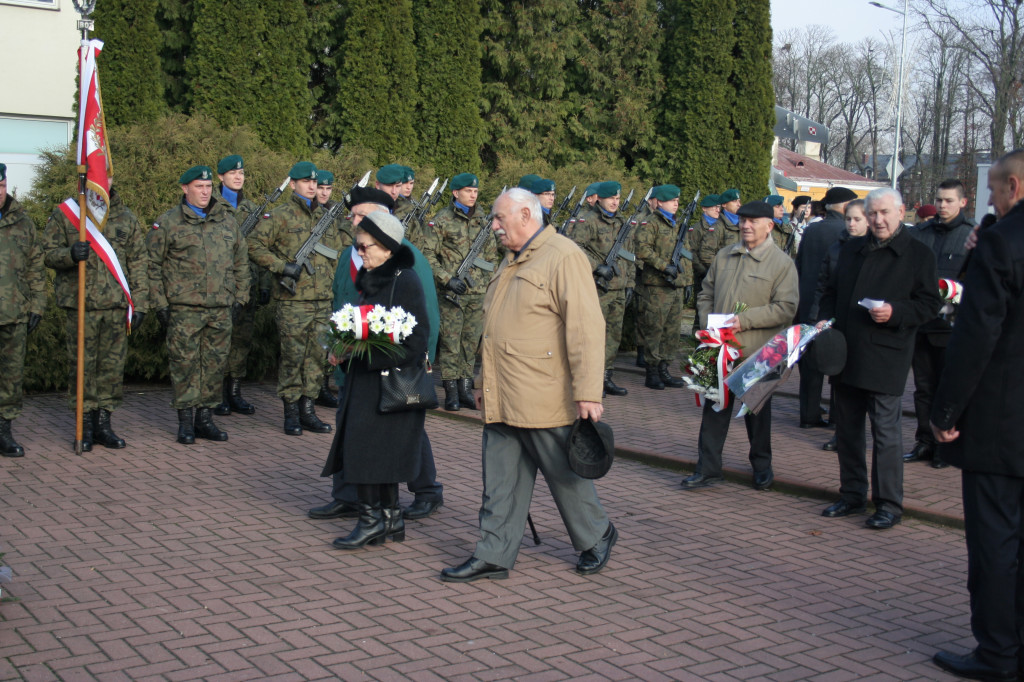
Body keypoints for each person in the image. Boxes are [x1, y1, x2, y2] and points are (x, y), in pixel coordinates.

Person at [440, 188, 616, 583]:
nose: (494, 226)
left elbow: (586, 327)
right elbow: (497, 330)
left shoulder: (563, 256)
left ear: (525, 214)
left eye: (500, 219)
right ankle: (494, 553)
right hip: (505, 393)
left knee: (563, 473)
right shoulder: (511, 260)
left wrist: (588, 392)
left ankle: (596, 535)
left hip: (543, 393)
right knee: (500, 479)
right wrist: (486, 383)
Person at [929, 148, 1024, 682]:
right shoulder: (994, 238)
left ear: (1013, 186)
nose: (989, 199)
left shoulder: (1001, 243)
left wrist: (944, 411)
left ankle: (997, 653)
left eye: (993, 190)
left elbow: (976, 335)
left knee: (994, 541)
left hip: (999, 422)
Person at [308, 187, 444, 523]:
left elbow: (421, 320)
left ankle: (424, 491)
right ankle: (348, 495)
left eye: (361, 218)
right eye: (353, 217)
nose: (353, 224)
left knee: (398, 435)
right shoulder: (350, 257)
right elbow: (344, 302)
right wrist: (339, 343)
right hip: (355, 365)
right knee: (352, 430)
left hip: (389, 370)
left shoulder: (407, 266)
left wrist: (425, 361)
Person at [816, 188, 941, 529]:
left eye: (884, 212)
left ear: (902, 212)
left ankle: (888, 504)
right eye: (872, 213)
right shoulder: (852, 248)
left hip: (886, 354)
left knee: (886, 432)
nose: (878, 220)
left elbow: (930, 304)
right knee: (848, 429)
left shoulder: (918, 254)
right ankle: (852, 495)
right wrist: (825, 322)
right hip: (846, 351)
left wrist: (895, 311)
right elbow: (829, 291)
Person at [681, 200, 798, 491]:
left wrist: (744, 321)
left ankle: (762, 466)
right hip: (718, 350)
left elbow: (786, 308)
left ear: (769, 225)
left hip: (755, 353)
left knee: (756, 413)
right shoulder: (724, 256)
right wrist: (710, 322)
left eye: (753, 221)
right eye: (743, 220)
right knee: (714, 409)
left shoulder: (782, 264)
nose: (745, 225)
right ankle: (707, 469)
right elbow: (705, 291)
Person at [148, 165, 250, 444]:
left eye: (207, 187)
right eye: (198, 187)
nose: (205, 192)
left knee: (215, 365)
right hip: (184, 309)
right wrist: (159, 304)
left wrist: (241, 298)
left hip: (220, 308)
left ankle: (205, 420)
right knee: (184, 365)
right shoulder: (168, 223)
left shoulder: (227, 221)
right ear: (185, 189)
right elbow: (152, 265)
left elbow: (241, 261)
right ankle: (185, 423)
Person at [43, 185, 149, 451]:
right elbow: (46, 253)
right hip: (82, 306)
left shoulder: (126, 217)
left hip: (115, 305)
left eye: (107, 174)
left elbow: (138, 261)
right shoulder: (67, 214)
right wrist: (69, 255)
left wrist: (141, 303)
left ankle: (104, 424)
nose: (104, 179)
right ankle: (85, 425)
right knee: (82, 369)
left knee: (112, 370)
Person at [249, 161, 343, 436]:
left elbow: (336, 253)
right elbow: (253, 245)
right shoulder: (279, 216)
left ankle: (309, 411)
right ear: (293, 184)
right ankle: (291, 413)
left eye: (315, 182)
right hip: (293, 301)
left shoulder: (326, 217)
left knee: (316, 357)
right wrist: (281, 267)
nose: (312, 186)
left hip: (322, 300)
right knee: (292, 357)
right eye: (306, 182)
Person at [904, 179, 974, 469]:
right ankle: (925, 441)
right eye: (940, 200)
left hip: (953, 327)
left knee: (949, 387)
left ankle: (947, 446)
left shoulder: (971, 237)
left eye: (949, 200)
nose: (943, 206)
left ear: (962, 202)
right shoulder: (921, 234)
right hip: (922, 323)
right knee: (923, 387)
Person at [422, 172, 500, 412]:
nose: (473, 195)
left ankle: (465, 389)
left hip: (477, 294)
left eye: (475, 191)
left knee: (469, 343)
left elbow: (491, 257)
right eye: (468, 191)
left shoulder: (483, 222)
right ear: (456, 193)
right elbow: (428, 255)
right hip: (451, 295)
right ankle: (451, 392)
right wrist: (447, 280)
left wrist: (485, 282)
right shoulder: (441, 220)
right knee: (451, 345)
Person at [794, 186, 856, 429]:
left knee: (810, 362)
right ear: (845, 205)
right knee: (837, 359)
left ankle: (808, 413)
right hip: (832, 304)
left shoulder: (812, 229)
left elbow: (799, 265)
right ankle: (837, 415)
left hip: (807, 301)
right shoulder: (847, 231)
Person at [812, 199, 869, 453]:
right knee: (839, 380)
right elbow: (825, 286)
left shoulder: (873, 248)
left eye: (857, 219)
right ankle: (840, 430)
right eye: (848, 219)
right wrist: (821, 316)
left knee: (863, 379)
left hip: (867, 325)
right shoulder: (837, 248)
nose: (852, 224)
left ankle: (861, 431)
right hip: (839, 323)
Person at [571, 181, 632, 397]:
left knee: (613, 336)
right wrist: (597, 267)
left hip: (619, 288)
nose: (615, 202)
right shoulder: (588, 220)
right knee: (592, 336)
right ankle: (590, 380)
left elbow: (629, 255)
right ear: (600, 200)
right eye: (610, 199)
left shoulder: (623, 222)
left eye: (617, 198)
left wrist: (630, 283)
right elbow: (574, 247)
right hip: (598, 287)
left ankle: (606, 377)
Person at [0, 163, 45, 457]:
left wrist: (37, 304)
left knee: (10, 377)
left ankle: (4, 430)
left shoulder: (22, 222)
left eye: (1, 186)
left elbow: (35, 266)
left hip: (13, 312)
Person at [212, 155, 262, 417]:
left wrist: (263, 284)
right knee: (220, 340)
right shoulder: (211, 206)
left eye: (241, 173)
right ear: (220, 177)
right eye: (232, 173)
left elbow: (261, 249)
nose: (238, 177)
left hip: (247, 285)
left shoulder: (252, 209)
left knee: (241, 340)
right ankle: (217, 393)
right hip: (220, 286)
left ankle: (234, 392)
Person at [634, 184, 693, 390]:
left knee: (672, 331)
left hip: (675, 285)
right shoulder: (651, 223)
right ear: (659, 202)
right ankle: (652, 371)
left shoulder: (677, 224)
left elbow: (685, 254)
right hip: (657, 286)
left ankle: (664, 368)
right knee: (655, 329)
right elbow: (642, 249)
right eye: (671, 200)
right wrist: (663, 266)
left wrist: (688, 281)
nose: (676, 204)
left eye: (677, 201)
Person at [686, 193, 722, 301]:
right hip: (703, 275)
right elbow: (691, 252)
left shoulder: (723, 227)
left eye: (719, 207)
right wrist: (704, 271)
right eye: (714, 207)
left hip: (721, 275)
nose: (717, 210)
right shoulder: (696, 229)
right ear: (704, 208)